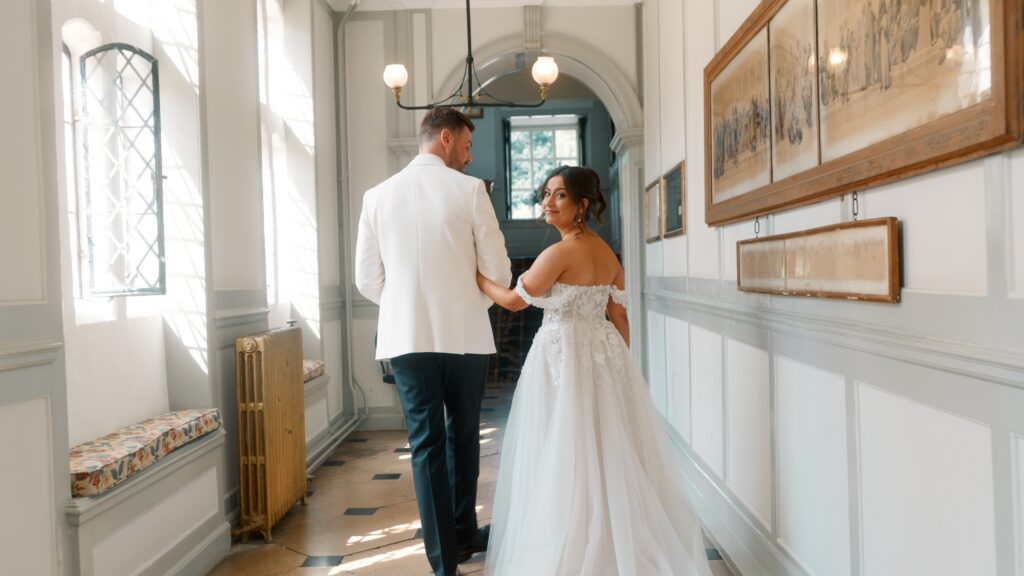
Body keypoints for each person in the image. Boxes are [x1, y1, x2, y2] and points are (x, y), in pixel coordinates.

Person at [476, 166, 713, 576]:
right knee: (602, 448)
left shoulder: (559, 252)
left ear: (582, 205)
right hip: (601, 356)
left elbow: (515, 301)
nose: (548, 203)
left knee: (561, 446)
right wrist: (621, 370)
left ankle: (571, 542)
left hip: (562, 357)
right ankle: (609, 536)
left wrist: (477, 277)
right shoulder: (607, 253)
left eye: (560, 196)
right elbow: (619, 316)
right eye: (546, 194)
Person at [354, 108, 512, 576]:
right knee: (464, 437)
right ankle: (463, 533)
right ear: (445, 138)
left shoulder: (376, 196)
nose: (468, 156)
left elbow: (367, 279)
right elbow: (499, 272)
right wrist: (462, 302)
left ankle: (447, 561)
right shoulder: (469, 190)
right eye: (465, 146)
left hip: (406, 340)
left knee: (426, 445)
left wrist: (406, 306)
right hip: (463, 336)